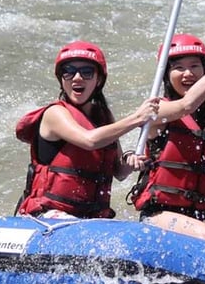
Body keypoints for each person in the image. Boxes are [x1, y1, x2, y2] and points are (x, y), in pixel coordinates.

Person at [16, 40, 159, 219]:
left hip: (89, 218)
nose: (77, 77)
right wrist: (137, 118)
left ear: (98, 80)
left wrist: (130, 162)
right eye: (68, 71)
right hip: (45, 215)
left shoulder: (103, 116)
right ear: (61, 79)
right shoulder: (55, 113)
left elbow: (119, 173)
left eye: (87, 72)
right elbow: (89, 140)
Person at [128, 33, 205, 237]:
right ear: (166, 74)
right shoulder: (156, 111)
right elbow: (186, 105)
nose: (188, 74)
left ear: (204, 70)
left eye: (194, 66)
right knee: (204, 233)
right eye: (179, 68)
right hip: (161, 212)